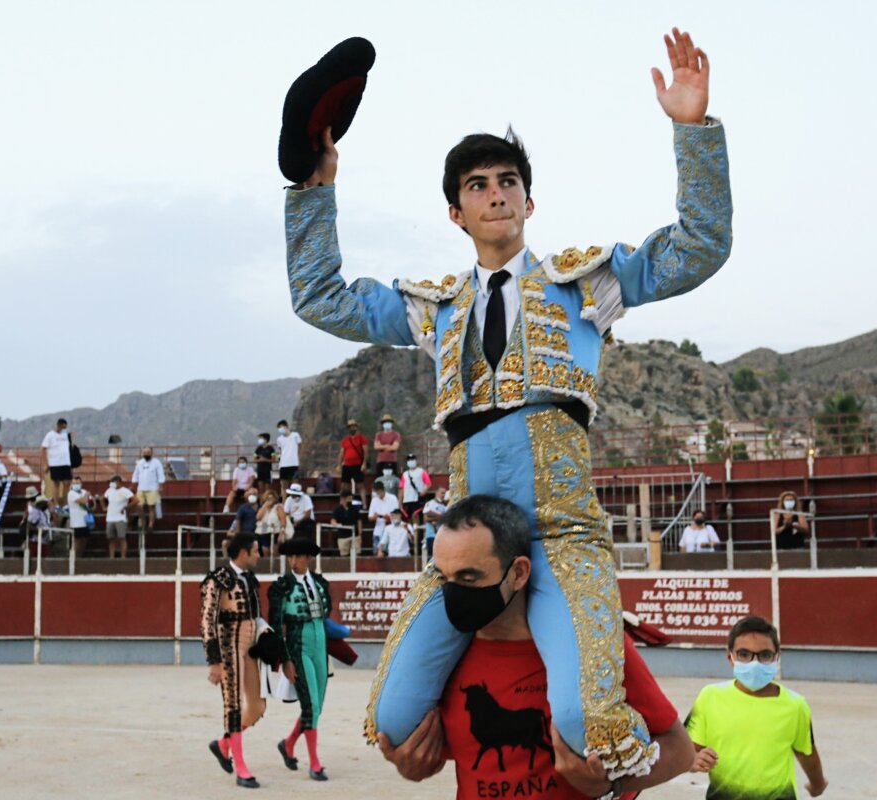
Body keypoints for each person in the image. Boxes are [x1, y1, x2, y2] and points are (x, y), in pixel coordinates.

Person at [286, 27, 731, 770]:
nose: (495, 193)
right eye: (477, 185)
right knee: (393, 721)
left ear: (529, 198)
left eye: (506, 181)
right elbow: (320, 297)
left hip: (560, 531)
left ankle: (651, 762)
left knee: (590, 726)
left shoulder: (586, 282)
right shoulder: (435, 307)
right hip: (467, 540)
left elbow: (698, 247)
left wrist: (693, 132)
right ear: (456, 213)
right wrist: (315, 187)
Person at [378, 495, 695, 799]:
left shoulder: (591, 645)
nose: (454, 593)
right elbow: (444, 755)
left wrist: (610, 783)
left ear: (518, 573)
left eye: (469, 577)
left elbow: (680, 751)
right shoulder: (441, 663)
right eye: (444, 579)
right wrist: (410, 765)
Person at [686, 615, 828, 799]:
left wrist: (818, 784)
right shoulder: (710, 697)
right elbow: (686, 751)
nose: (755, 663)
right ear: (730, 657)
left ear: (777, 657)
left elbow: (806, 753)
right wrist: (693, 761)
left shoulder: (795, 705)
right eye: (744, 654)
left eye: (765, 655)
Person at [200, 532, 267, 789]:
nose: (259, 555)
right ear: (243, 553)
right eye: (256, 551)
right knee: (233, 705)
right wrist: (213, 661)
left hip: (249, 645)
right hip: (228, 646)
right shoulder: (217, 579)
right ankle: (240, 766)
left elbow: (256, 614)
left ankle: (223, 744)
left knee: (258, 707)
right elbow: (207, 622)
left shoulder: (250, 579)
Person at [269, 537, 333, 781]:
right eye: (290, 557)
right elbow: (276, 626)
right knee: (311, 705)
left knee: (317, 705)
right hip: (299, 644)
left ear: (308, 558)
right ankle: (314, 763)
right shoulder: (281, 586)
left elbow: (325, 616)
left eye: (297, 557)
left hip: (320, 643)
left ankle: (288, 743)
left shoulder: (320, 583)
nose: (293, 561)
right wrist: (285, 659)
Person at [41, 419, 73, 512]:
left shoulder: (65, 435)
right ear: (60, 426)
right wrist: (46, 464)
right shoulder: (50, 435)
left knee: (67, 483)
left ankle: (65, 504)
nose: (65, 429)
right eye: (64, 427)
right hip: (55, 463)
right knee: (56, 484)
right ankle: (56, 504)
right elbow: (43, 449)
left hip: (66, 463)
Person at [132, 447, 166, 535]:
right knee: (139, 506)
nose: (146, 453)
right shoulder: (139, 463)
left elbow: (160, 474)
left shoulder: (156, 463)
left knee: (151, 507)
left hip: (152, 488)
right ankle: (143, 521)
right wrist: (133, 485)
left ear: (152, 453)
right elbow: (135, 475)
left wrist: (161, 485)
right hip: (141, 488)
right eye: (145, 452)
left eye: (148, 452)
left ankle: (151, 524)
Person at [102, 475, 134, 559]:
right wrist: (104, 508)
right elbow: (102, 498)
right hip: (110, 518)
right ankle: (111, 557)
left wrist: (126, 507)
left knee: (122, 538)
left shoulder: (125, 491)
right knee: (111, 539)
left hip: (120, 518)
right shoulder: (109, 490)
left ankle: (123, 557)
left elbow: (136, 500)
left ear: (118, 482)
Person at [338, 419, 370, 501]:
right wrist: (339, 465)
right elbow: (341, 453)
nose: (352, 428)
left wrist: (364, 464)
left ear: (356, 427)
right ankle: (344, 503)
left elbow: (366, 451)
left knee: (360, 485)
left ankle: (364, 505)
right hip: (347, 465)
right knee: (344, 486)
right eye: (350, 427)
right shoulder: (345, 440)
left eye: (353, 426)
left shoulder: (362, 438)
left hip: (357, 465)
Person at [367, 479, 399, 555]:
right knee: (376, 553)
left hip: (391, 530)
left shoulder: (392, 498)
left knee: (390, 553)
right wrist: (374, 517)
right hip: (378, 531)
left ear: (382, 490)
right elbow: (370, 517)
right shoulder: (374, 500)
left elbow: (397, 515)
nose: (377, 493)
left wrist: (384, 516)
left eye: (378, 491)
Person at [66, 476, 94, 558]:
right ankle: (74, 557)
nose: (76, 485)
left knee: (84, 540)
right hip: (76, 522)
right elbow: (83, 501)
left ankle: (80, 557)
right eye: (74, 483)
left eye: (77, 483)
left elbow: (90, 502)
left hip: (85, 521)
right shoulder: (71, 493)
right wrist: (87, 496)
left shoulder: (84, 491)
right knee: (77, 540)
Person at [256, 490, 289, 555]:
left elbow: (283, 520)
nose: (270, 500)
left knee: (275, 551)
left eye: (271, 498)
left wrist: (281, 533)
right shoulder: (262, 507)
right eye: (268, 498)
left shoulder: (278, 507)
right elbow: (258, 517)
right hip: (264, 530)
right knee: (265, 551)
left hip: (275, 531)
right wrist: (265, 506)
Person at [400, 453, 432, 521]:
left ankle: (416, 530)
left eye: (412, 459)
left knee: (416, 516)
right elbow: (402, 488)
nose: (411, 461)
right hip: (407, 499)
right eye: (409, 460)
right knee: (408, 517)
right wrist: (400, 502)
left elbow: (428, 483)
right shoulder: (405, 474)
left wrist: (424, 491)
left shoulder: (422, 472)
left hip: (417, 498)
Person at [421, 485, 448, 560]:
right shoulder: (430, 504)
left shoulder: (445, 506)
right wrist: (441, 517)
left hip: (442, 534)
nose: (443, 495)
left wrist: (437, 518)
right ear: (436, 493)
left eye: (444, 493)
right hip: (431, 534)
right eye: (442, 493)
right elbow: (426, 518)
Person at [331, 490, 360, 555]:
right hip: (342, 536)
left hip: (354, 535)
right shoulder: (337, 509)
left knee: (356, 554)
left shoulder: (355, 508)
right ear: (344, 498)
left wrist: (360, 534)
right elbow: (333, 520)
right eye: (349, 498)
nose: (351, 500)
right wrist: (336, 524)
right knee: (344, 555)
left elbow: (359, 521)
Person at [277, 420, 302, 489]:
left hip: (294, 463)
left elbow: (300, 446)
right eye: (279, 428)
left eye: (281, 427)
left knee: (295, 485)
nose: (280, 429)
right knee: (284, 486)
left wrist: (297, 457)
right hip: (283, 464)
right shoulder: (279, 439)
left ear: (286, 427)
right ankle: (284, 500)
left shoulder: (295, 435)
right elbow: (281, 451)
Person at [254, 432, 276, 496]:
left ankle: (267, 502)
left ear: (266, 439)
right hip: (260, 470)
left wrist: (265, 460)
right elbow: (255, 459)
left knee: (267, 489)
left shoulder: (271, 449)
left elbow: (273, 460)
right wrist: (259, 460)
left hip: (268, 470)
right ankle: (261, 503)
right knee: (261, 489)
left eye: (261, 438)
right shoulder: (258, 449)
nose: (259, 440)